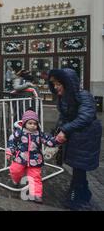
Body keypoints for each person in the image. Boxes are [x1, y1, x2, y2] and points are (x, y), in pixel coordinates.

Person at [48, 68, 102, 210]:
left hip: (86, 135)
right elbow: (63, 117)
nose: (55, 87)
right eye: (53, 84)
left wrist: (65, 130)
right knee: (77, 165)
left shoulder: (84, 96)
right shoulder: (62, 98)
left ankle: (76, 195)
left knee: (79, 165)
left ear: (67, 83)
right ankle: (82, 191)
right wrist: (56, 131)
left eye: (58, 84)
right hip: (76, 134)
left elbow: (86, 116)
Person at [6, 110, 63, 204]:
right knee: (15, 170)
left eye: (35, 123)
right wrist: (9, 152)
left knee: (35, 177)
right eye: (30, 123)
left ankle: (36, 194)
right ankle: (16, 180)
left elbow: (49, 141)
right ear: (24, 123)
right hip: (20, 158)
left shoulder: (39, 134)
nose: (33, 125)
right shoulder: (18, 133)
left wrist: (57, 140)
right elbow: (11, 143)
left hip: (35, 160)